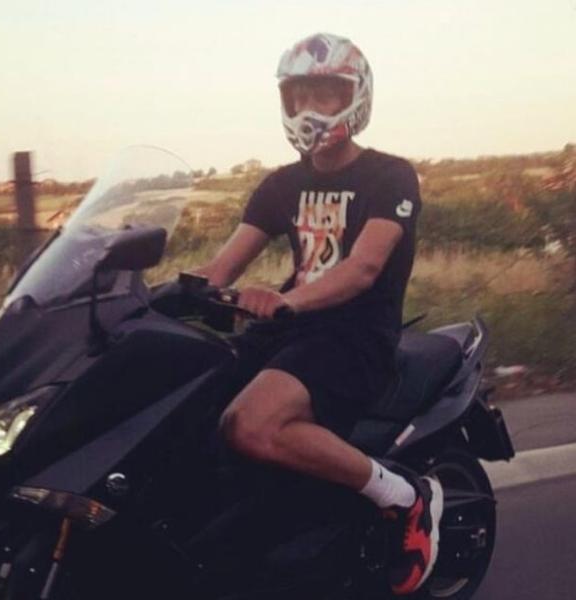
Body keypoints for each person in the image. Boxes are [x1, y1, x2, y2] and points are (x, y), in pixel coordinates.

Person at [195, 32, 443, 595]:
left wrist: (285, 300)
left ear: (355, 97)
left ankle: (403, 495)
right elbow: (222, 266)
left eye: (325, 94)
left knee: (250, 423)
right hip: (289, 332)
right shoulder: (281, 184)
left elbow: (363, 268)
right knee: (186, 398)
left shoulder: (389, 176)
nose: (310, 108)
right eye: (299, 95)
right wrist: (145, 290)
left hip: (355, 336)